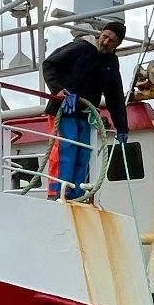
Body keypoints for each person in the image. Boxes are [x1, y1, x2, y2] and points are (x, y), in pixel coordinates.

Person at [42, 19, 130, 199]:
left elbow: (115, 96)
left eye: (111, 40)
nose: (105, 42)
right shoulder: (81, 48)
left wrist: (122, 126)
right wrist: (57, 89)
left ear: (117, 44)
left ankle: (76, 193)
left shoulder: (111, 63)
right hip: (63, 109)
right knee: (66, 148)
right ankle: (58, 192)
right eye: (105, 36)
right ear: (101, 33)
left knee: (83, 152)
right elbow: (49, 64)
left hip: (84, 113)